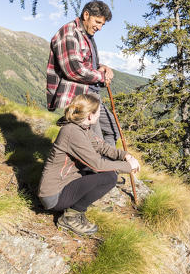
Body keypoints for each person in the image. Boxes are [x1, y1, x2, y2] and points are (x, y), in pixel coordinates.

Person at [38, 94, 140, 235]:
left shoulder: (82, 128)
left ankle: (75, 207)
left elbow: (101, 147)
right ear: (90, 116)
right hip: (54, 195)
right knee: (109, 177)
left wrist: (124, 155)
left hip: (66, 181)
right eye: (98, 111)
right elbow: (97, 164)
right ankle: (71, 216)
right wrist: (128, 167)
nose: (100, 114)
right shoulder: (72, 132)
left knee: (104, 172)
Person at [46, 0, 119, 146]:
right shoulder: (69, 32)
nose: (99, 27)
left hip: (91, 95)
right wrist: (101, 76)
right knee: (95, 142)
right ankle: (96, 167)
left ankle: (104, 166)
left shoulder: (86, 36)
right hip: (78, 96)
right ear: (86, 15)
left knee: (112, 130)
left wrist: (101, 66)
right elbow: (74, 69)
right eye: (97, 22)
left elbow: (85, 63)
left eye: (102, 24)